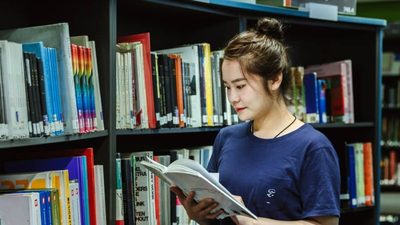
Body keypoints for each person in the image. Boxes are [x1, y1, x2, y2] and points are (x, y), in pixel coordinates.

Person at [171, 17, 340, 225]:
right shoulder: (226, 137)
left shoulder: (313, 147)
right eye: (227, 87)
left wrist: (252, 222)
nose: (232, 97)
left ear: (275, 79)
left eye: (240, 86)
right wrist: (200, 215)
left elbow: (326, 224)